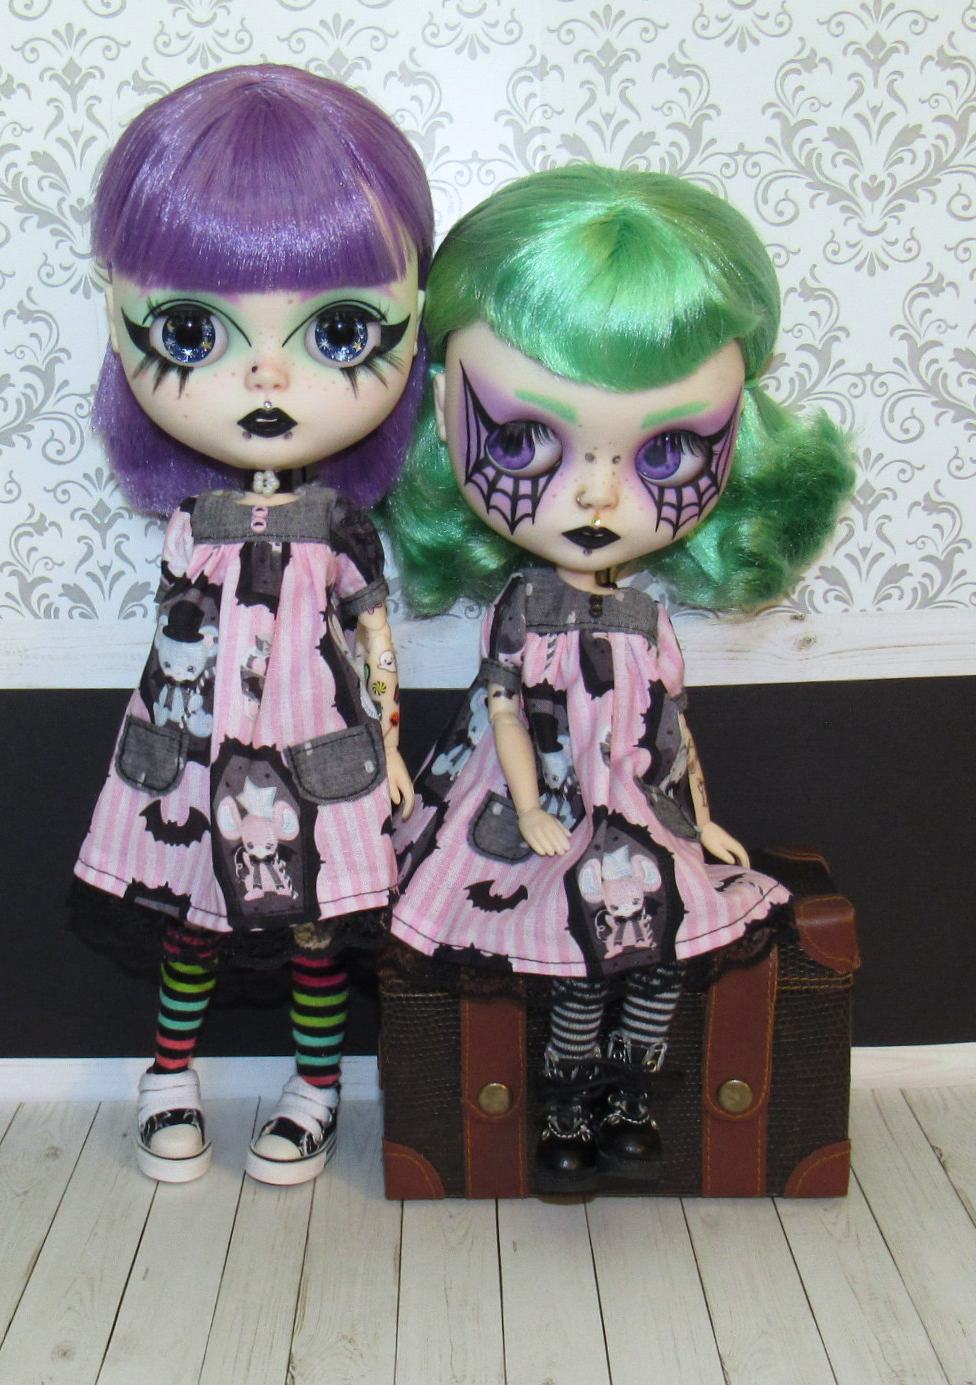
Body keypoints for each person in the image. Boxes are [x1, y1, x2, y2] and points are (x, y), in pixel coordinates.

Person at [383, 165, 853, 1191]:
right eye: (523, 440)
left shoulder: (649, 617)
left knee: (662, 949)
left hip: (637, 813)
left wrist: (702, 817)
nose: (595, 494)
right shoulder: (521, 609)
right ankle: (563, 1098)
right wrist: (527, 805)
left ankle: (628, 1091)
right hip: (540, 811)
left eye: (666, 452)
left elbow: (667, 724)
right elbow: (506, 710)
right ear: (442, 422)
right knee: (565, 959)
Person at [72, 64, 433, 1184]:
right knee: (188, 922)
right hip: (194, 756)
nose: (268, 374)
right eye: (194, 330)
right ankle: (167, 1075)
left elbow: (373, 641)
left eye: (338, 331)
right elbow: (175, 648)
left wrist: (388, 748)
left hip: (317, 760)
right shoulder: (194, 523)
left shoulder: (341, 527)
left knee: (318, 931)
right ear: (121, 317)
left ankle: (315, 1085)